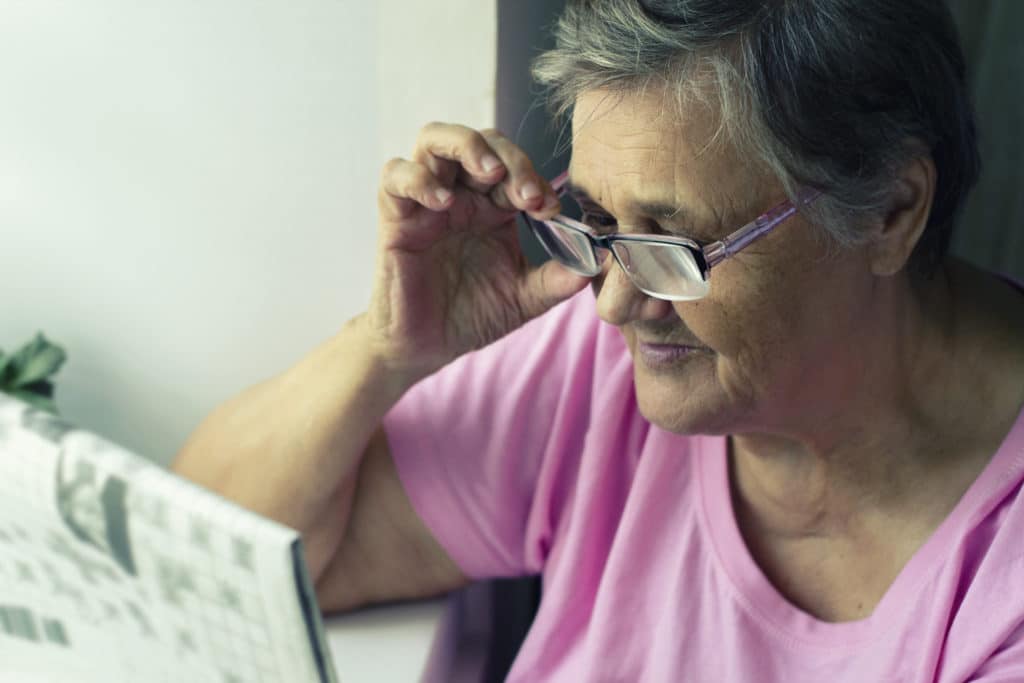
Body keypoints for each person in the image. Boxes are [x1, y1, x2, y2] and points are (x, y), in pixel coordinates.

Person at [173, 0, 1024, 680]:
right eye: (596, 221)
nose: (615, 300)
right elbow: (208, 561)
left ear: (888, 211)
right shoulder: (604, 365)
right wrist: (387, 347)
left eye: (671, 242)